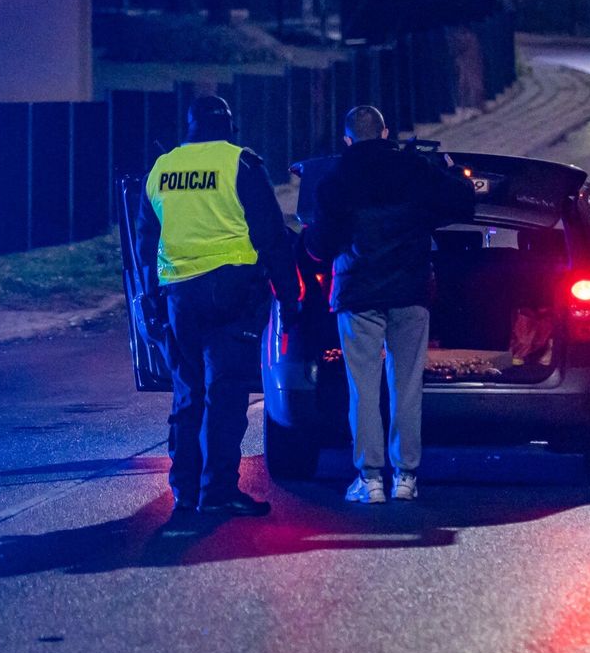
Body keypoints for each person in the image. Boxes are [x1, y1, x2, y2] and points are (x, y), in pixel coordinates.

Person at [135, 95, 300, 517]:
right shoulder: (239, 163)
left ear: (189, 126)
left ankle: (184, 491)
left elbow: (145, 242)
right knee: (225, 395)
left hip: (178, 298)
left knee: (187, 394)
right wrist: (289, 297)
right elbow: (271, 235)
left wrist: (151, 302)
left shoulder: (162, 168)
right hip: (232, 294)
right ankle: (218, 492)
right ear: (229, 125)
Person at [305, 106, 474, 504]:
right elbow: (463, 202)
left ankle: (369, 479)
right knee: (407, 386)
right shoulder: (414, 169)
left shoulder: (335, 181)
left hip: (357, 294)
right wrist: (449, 167)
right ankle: (406, 477)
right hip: (410, 291)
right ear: (384, 133)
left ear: (347, 140)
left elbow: (318, 248)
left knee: (362, 389)